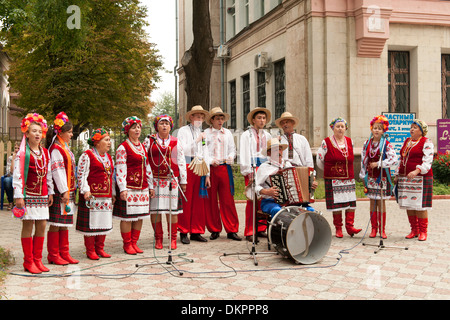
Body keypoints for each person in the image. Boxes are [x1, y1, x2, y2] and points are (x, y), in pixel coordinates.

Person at [13, 113, 54, 274]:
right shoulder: (23, 153)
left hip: (42, 194)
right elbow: (18, 174)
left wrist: (50, 191)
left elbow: (48, 173)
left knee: (42, 225)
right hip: (28, 194)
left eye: (39, 131)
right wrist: (18, 196)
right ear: (27, 133)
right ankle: (28, 261)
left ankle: (38, 259)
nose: (37, 134)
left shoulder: (44, 152)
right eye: (34, 131)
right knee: (28, 225)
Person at [113, 116, 155, 255]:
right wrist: (123, 188)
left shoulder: (142, 147)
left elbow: (147, 166)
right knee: (128, 217)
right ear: (127, 130)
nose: (137, 129)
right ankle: (127, 244)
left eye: (138, 127)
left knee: (139, 215)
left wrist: (150, 186)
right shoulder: (122, 147)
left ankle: (134, 242)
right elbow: (120, 169)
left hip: (142, 187)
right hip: (129, 186)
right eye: (133, 127)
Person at [145, 115, 187, 250]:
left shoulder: (176, 141)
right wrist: (148, 181)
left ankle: (172, 238)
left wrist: (183, 180)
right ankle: (158, 238)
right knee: (155, 211)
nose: (164, 126)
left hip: (171, 180)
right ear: (156, 126)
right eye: (161, 123)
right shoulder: (149, 140)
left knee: (172, 210)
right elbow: (145, 161)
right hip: (155, 181)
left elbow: (181, 161)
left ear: (170, 127)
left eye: (167, 124)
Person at [316, 117, 361, 238]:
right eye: (337, 126)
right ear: (333, 128)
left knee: (350, 203)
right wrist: (329, 171)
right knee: (336, 204)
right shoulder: (326, 142)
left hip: (348, 178)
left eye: (342, 126)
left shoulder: (349, 141)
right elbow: (320, 160)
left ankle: (350, 227)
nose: (340, 129)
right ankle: (338, 228)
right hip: (333, 178)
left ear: (346, 128)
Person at [76, 129, 115, 260]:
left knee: (103, 221)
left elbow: (111, 177)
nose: (109, 143)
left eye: (109, 140)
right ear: (97, 142)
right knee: (91, 223)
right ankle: (90, 250)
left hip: (106, 195)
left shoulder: (108, 157)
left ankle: (100, 248)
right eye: (106, 140)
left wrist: (113, 193)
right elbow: (81, 175)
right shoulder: (87, 155)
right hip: (92, 195)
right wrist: (85, 190)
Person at [45, 112, 78, 265]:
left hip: (67, 190)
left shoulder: (64, 147)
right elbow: (57, 172)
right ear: (61, 132)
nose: (71, 134)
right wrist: (64, 190)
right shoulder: (57, 149)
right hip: (61, 191)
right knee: (56, 223)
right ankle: (53, 254)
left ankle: (64, 252)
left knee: (64, 222)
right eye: (70, 132)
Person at [204, 107, 241, 241]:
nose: (220, 121)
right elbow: (203, 151)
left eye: (222, 118)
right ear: (212, 120)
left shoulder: (228, 134)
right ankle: (214, 229)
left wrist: (231, 157)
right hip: (211, 169)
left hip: (225, 168)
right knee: (211, 200)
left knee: (227, 199)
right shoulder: (205, 134)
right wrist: (209, 160)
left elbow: (232, 149)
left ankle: (231, 229)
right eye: (217, 118)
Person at [359, 115, 398, 239]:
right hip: (371, 177)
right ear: (371, 129)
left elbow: (393, 159)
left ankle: (382, 229)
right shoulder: (367, 143)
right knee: (372, 201)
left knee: (381, 202)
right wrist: (363, 173)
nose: (376, 130)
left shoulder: (386, 144)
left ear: (383, 131)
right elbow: (363, 160)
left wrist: (379, 163)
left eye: (379, 128)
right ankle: (373, 229)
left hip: (382, 177)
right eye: (375, 128)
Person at [177, 105, 211, 244]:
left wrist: (207, 173)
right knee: (187, 199)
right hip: (187, 165)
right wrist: (196, 141)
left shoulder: (202, 132)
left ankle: (197, 230)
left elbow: (205, 152)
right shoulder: (183, 131)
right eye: (198, 116)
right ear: (191, 117)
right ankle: (184, 230)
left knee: (199, 201)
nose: (200, 119)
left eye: (202, 117)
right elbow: (182, 150)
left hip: (200, 166)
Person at [395, 120, 434, 241]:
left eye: (415, 128)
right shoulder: (407, 141)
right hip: (406, 177)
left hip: (420, 178)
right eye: (411, 127)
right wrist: (397, 173)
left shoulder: (426, 142)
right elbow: (401, 158)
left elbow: (428, 161)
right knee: (409, 204)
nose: (412, 129)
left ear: (422, 131)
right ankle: (414, 230)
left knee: (420, 206)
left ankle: (423, 231)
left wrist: (417, 171)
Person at [239, 107, 272, 240]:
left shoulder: (268, 135)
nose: (262, 120)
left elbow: (270, 153)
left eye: (264, 118)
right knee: (252, 200)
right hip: (253, 169)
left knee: (264, 198)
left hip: (264, 169)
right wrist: (248, 171)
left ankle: (261, 228)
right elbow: (244, 153)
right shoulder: (246, 135)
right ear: (253, 120)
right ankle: (250, 230)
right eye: (259, 118)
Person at [276, 111, 319, 191]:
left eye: (287, 122)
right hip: (285, 171)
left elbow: (308, 159)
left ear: (292, 123)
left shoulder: (301, 139)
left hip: (300, 170)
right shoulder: (279, 140)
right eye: (282, 123)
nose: (285, 125)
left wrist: (312, 176)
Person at [255, 138, 289, 218]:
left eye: (280, 149)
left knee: (308, 209)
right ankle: (277, 230)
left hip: (288, 202)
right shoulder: (264, 167)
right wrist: (266, 191)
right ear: (269, 153)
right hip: (269, 201)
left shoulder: (288, 165)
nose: (279, 152)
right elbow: (254, 186)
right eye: (275, 150)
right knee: (278, 211)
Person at [3, 142, 19, 210]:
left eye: (19, 148)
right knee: (7, 181)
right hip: (12, 177)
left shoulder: (24, 157)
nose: (17, 150)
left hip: (21, 178)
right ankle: (11, 202)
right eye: (15, 148)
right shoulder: (10, 158)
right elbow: (11, 171)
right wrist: (13, 159)